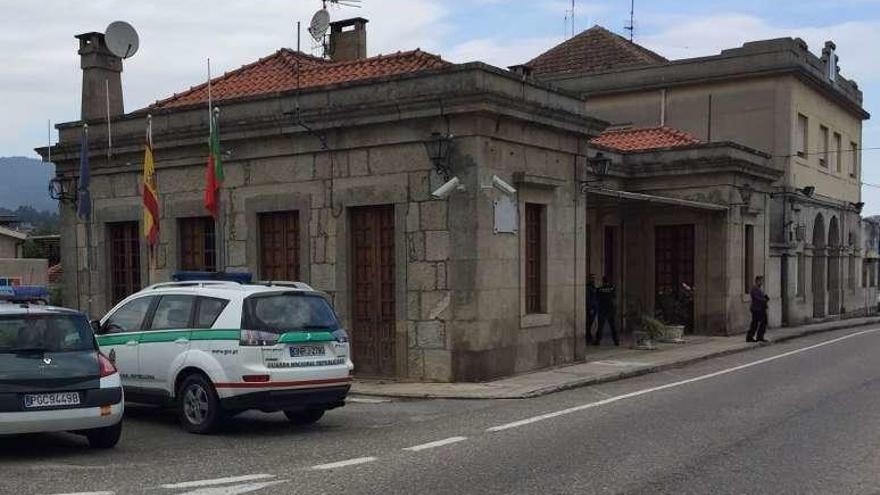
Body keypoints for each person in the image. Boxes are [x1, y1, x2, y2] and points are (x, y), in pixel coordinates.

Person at [594, 276, 619, 346]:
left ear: (603, 281)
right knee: (613, 325)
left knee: (600, 326)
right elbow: (614, 297)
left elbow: (597, 298)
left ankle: (598, 340)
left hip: (602, 308)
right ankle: (616, 340)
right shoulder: (612, 288)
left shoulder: (599, 289)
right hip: (610, 308)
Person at [746, 275, 770, 343]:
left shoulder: (759, 289)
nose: (762, 282)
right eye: (761, 281)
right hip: (757, 309)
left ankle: (759, 337)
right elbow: (756, 298)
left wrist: (765, 297)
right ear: (757, 281)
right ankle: (750, 337)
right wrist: (764, 299)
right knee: (755, 323)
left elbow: (761, 297)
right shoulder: (754, 288)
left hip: (761, 308)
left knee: (762, 323)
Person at [586, 274, 598, 346]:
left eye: (594, 278)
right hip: (591, 307)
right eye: (592, 278)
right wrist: (590, 308)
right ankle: (588, 337)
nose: (593, 280)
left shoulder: (593, 287)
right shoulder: (588, 287)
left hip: (594, 307)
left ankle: (590, 337)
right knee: (589, 323)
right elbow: (588, 298)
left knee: (592, 323)